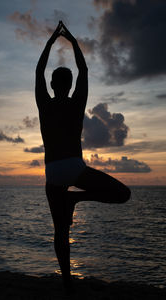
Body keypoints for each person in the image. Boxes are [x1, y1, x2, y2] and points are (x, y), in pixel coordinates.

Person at [35, 21, 131, 290]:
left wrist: (51, 41)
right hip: (75, 168)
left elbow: (38, 70)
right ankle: (76, 198)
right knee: (123, 194)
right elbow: (84, 70)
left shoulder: (44, 104)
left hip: (53, 172)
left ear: (53, 84)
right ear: (69, 84)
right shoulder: (77, 103)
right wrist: (74, 42)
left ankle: (66, 282)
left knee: (60, 231)